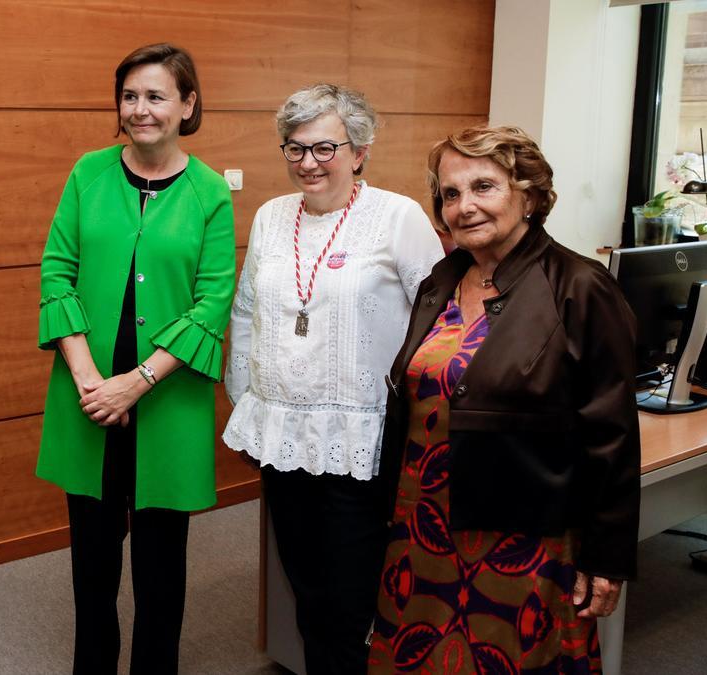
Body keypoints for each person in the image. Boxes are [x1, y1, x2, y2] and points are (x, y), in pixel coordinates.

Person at [369, 126, 640, 673]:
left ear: (529, 194)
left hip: (522, 538)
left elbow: (611, 435)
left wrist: (605, 557)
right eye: (449, 193)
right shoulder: (442, 280)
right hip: (423, 526)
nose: (463, 206)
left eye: (484, 187)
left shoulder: (579, 286)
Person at [223, 84, 444, 674]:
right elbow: (247, 312)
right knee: (306, 590)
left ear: (360, 150)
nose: (308, 163)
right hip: (284, 437)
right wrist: (246, 399)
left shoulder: (398, 217)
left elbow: (437, 318)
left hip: (360, 443)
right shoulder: (272, 216)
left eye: (325, 147)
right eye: (294, 149)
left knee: (351, 600)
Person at [35, 43, 235, 675]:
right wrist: (91, 379)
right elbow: (56, 274)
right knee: (91, 567)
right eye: (130, 96)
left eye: (156, 96)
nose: (141, 109)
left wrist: (137, 382)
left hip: (166, 401)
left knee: (160, 572)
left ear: (187, 104)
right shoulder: (87, 174)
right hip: (88, 402)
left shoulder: (209, 193)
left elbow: (212, 302)